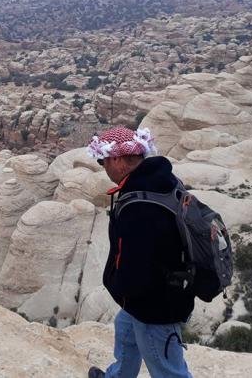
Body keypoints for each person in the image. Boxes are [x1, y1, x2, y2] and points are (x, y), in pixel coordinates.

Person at [85, 125, 194, 378]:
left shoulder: (140, 205)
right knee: (125, 332)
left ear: (117, 160)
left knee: (168, 370)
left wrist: (120, 287)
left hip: (155, 305)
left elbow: (137, 265)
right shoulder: (161, 181)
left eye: (103, 161)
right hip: (150, 296)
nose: (104, 167)